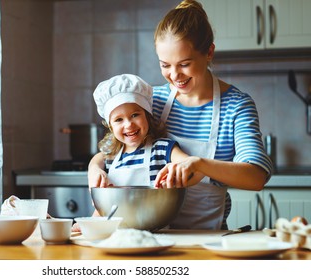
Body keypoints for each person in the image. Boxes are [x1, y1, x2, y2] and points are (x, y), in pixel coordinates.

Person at [88, 0, 273, 230]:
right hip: (150, 237)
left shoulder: (235, 106)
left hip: (207, 238)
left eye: (184, 64)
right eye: (165, 65)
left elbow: (256, 177)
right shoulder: (152, 102)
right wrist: (94, 169)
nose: (175, 75)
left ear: (209, 53)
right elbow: (111, 152)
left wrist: (200, 165)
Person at [91, 73, 203, 190]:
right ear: (110, 127)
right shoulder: (112, 157)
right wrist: (95, 169)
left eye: (135, 115)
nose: (129, 124)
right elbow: (97, 159)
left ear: (147, 116)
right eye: (119, 120)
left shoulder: (162, 149)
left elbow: (195, 169)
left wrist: (174, 179)